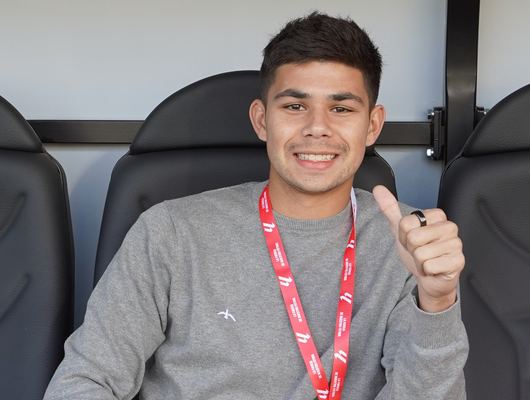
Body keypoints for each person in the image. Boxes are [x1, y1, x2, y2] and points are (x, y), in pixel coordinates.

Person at [45, 12, 468, 400]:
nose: (317, 128)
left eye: (341, 108)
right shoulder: (170, 232)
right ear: (262, 120)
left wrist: (437, 302)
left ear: (372, 125)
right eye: (295, 106)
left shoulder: (410, 244)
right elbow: (82, 384)